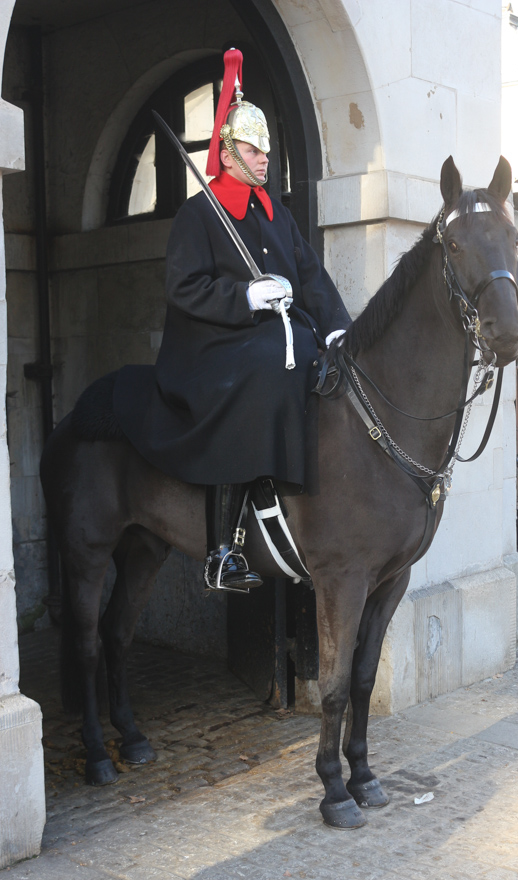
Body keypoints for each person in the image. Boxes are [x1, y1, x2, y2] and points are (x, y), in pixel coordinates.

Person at [113, 48, 351, 592]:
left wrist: (336, 325)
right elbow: (184, 287)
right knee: (267, 365)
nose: (264, 157)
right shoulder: (200, 214)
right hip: (212, 348)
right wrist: (245, 296)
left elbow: (312, 277)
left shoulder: (277, 215)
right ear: (226, 151)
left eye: (266, 148)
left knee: (318, 358)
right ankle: (221, 551)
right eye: (251, 147)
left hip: (277, 340)